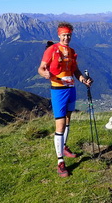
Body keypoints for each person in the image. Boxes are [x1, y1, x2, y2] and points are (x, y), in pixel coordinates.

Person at [38, 22, 93, 177]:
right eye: (64, 35)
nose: (66, 37)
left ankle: (63, 146)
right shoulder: (51, 50)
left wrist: (83, 79)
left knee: (68, 119)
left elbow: (74, 69)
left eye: (69, 35)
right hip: (58, 90)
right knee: (60, 124)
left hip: (71, 89)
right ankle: (60, 163)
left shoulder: (71, 51)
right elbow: (41, 68)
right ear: (59, 35)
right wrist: (45, 74)